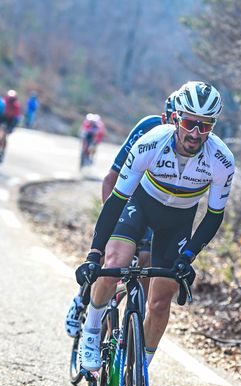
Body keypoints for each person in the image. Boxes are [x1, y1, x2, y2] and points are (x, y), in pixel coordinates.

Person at [75, 81, 234, 386]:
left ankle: (140, 376)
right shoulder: (151, 141)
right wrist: (94, 254)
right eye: (190, 122)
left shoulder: (221, 159)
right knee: (114, 264)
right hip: (139, 208)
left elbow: (214, 216)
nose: (196, 132)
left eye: (205, 125)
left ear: (212, 126)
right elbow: (116, 200)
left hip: (177, 224)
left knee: (161, 301)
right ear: (177, 118)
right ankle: (91, 329)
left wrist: (188, 256)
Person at [65, 92, 177, 337]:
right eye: (174, 121)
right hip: (128, 199)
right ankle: (82, 298)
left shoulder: (193, 148)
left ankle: (127, 337)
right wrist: (112, 224)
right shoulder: (148, 129)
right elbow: (111, 179)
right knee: (112, 257)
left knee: (147, 260)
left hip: (156, 210)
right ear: (165, 118)